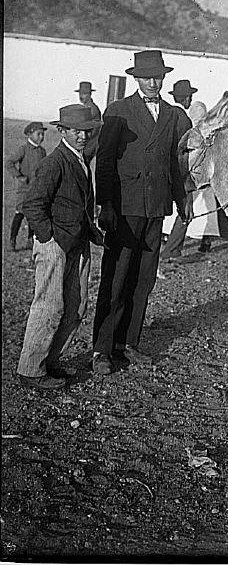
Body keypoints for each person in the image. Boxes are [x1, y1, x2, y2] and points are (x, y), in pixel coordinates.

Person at [92, 49, 192, 375]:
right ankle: (102, 350)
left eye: (158, 77)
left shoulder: (172, 115)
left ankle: (128, 343)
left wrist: (181, 200)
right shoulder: (119, 111)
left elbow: (174, 164)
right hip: (124, 206)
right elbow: (104, 161)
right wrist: (105, 203)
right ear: (136, 78)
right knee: (117, 277)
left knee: (144, 278)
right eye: (146, 76)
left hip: (156, 207)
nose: (152, 82)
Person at [17, 104, 102, 390]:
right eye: (76, 131)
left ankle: (49, 361)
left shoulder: (79, 159)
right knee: (49, 305)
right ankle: (30, 369)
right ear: (62, 131)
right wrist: (47, 237)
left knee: (76, 306)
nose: (82, 136)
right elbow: (32, 204)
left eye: (87, 131)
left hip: (76, 242)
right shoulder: (55, 162)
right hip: (55, 243)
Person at [160, 79, 200, 262]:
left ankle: (169, 248)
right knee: (186, 212)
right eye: (189, 97)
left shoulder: (167, 112)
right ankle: (172, 250)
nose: (190, 100)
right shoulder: (184, 119)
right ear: (184, 98)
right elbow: (183, 151)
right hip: (179, 172)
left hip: (163, 170)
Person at [6, 121, 47, 251]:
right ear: (30, 134)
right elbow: (9, 162)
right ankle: (12, 240)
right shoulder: (23, 149)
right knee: (20, 214)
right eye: (38, 134)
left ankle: (31, 240)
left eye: (42, 134)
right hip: (24, 190)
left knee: (33, 214)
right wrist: (19, 176)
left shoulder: (42, 151)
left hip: (37, 190)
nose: (41, 137)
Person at [75, 81, 102, 164]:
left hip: (89, 146)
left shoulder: (91, 109)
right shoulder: (86, 108)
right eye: (80, 93)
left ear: (90, 94)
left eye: (84, 94)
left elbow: (91, 131)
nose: (81, 96)